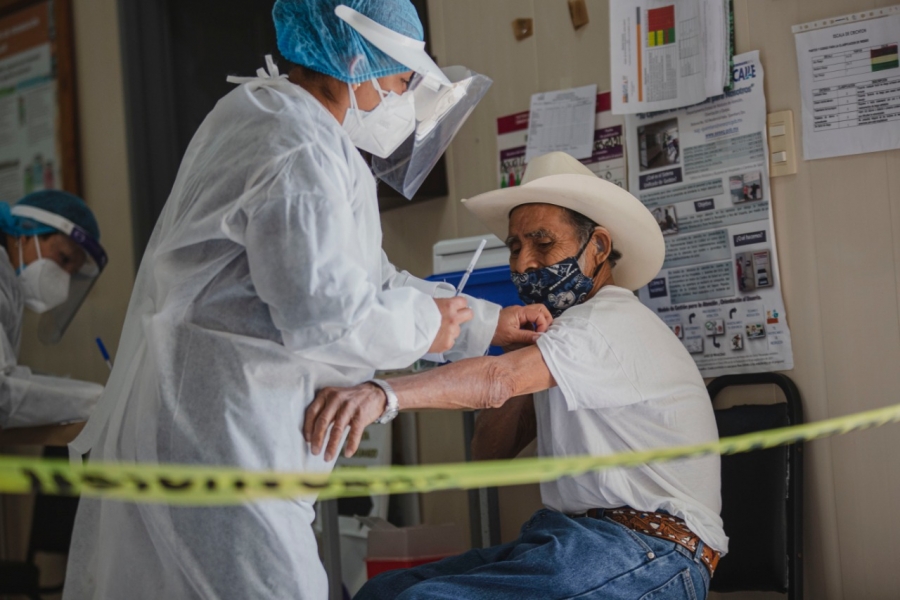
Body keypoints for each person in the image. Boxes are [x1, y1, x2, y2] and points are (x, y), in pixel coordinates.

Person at [64, 2, 550, 599]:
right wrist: (426, 325)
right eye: (402, 82)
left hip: (210, 426)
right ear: (355, 61)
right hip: (225, 440)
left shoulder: (268, 116)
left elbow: (369, 278)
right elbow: (324, 316)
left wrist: (483, 322)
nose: (404, 101)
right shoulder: (297, 143)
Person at [307, 152, 728, 600]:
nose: (524, 263)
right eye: (514, 247)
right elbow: (490, 455)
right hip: (571, 540)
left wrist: (381, 394)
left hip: (652, 550)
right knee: (385, 591)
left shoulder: (607, 320)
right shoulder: (561, 336)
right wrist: (515, 350)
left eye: (543, 244)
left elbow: (496, 381)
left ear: (599, 248)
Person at [0, 191, 106, 430]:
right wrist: (92, 400)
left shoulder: (7, 282)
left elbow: (8, 374)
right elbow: (2, 396)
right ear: (25, 234)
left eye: (72, 272)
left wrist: (66, 389)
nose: (63, 280)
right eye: (63, 258)